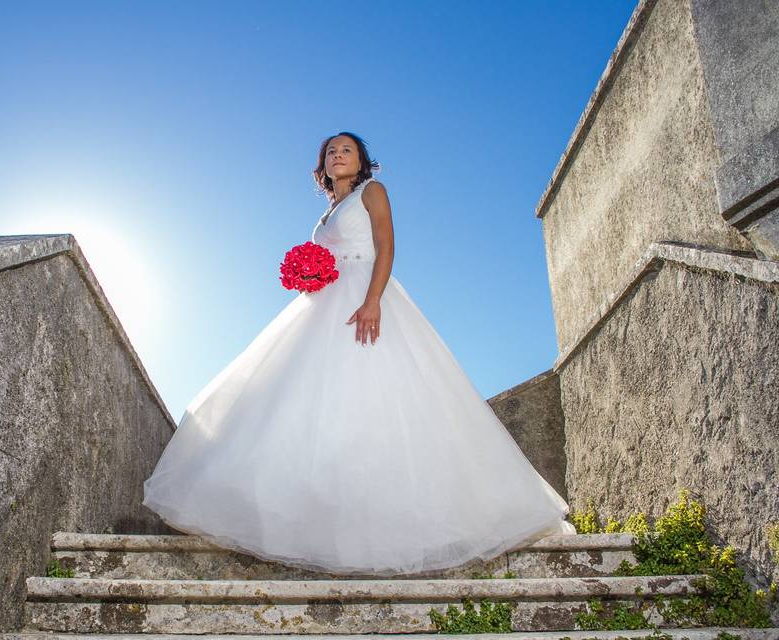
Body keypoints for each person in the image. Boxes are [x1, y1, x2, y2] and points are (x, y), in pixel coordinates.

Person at [141, 131, 575, 577]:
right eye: (331, 151)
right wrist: (307, 276)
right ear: (323, 166)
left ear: (362, 160)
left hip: (364, 295)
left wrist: (372, 301)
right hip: (323, 304)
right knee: (305, 404)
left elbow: (385, 247)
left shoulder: (373, 191)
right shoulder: (326, 211)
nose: (337, 155)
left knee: (375, 394)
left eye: (346, 149)